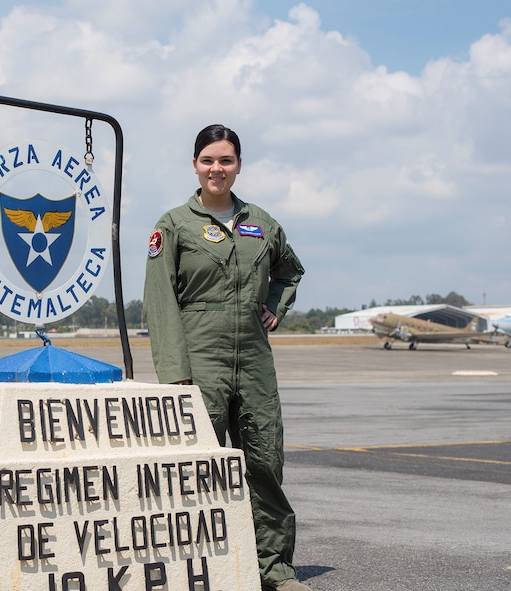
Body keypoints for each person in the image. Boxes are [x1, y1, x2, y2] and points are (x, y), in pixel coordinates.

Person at [144, 124, 307, 591]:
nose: (217, 169)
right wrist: (175, 372)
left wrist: (274, 306)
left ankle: (274, 568)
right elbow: (159, 301)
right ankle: (200, 570)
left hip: (253, 358)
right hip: (200, 357)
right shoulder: (173, 225)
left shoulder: (262, 223)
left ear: (238, 165)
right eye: (208, 160)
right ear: (195, 165)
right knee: (199, 466)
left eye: (226, 160)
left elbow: (289, 270)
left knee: (264, 462)